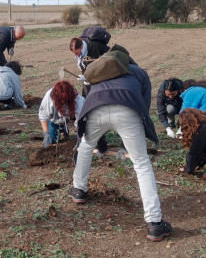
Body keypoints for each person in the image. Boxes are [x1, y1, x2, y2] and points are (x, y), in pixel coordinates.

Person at [69, 49, 172, 242]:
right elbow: (143, 104)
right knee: (141, 163)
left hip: (95, 108)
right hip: (126, 110)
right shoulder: (138, 72)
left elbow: (88, 92)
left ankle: (78, 190)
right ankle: (154, 223)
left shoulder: (100, 70)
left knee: (85, 146)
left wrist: (101, 142)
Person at [38, 81, 84, 147]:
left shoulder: (78, 99)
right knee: (52, 140)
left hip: (71, 114)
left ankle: (64, 123)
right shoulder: (49, 97)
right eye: (61, 100)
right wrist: (46, 133)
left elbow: (81, 121)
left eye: (65, 100)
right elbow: (43, 116)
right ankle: (62, 126)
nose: (63, 102)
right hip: (56, 117)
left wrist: (81, 139)